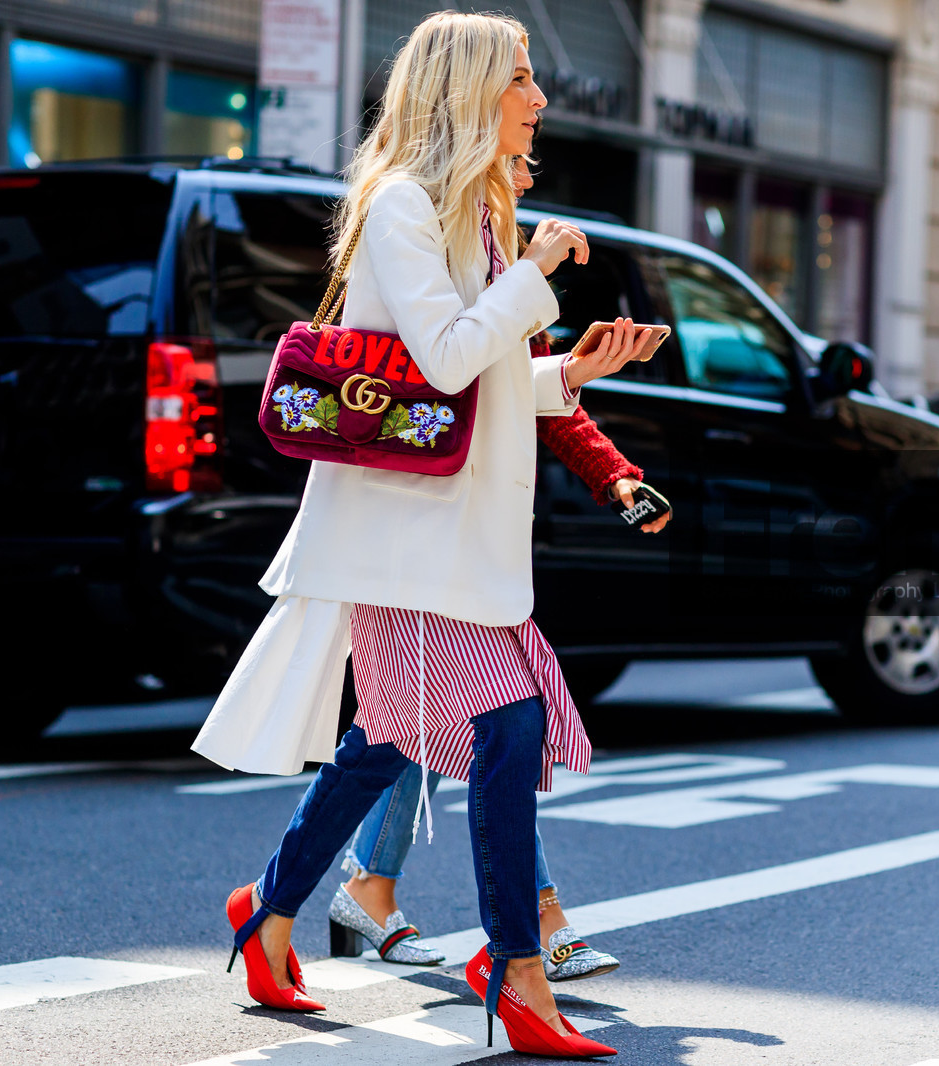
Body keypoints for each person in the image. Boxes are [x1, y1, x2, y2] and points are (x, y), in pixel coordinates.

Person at [193, 12, 653, 1058]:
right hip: (401, 539)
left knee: (391, 739)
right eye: (521, 79)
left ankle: (265, 913)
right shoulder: (401, 206)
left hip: (443, 535)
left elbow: (470, 379)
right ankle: (519, 969)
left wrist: (571, 372)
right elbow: (444, 361)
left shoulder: (472, 216)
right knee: (508, 721)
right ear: (467, 90)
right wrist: (533, 274)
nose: (537, 99)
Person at [330, 150, 665, 979]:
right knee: (483, 717)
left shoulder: (492, 245)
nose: (528, 169)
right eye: (517, 158)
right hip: (419, 516)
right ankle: (527, 924)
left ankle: (340, 891)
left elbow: (514, 383)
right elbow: (448, 367)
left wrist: (609, 459)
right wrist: (533, 273)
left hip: (468, 524)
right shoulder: (427, 227)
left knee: (427, 719)